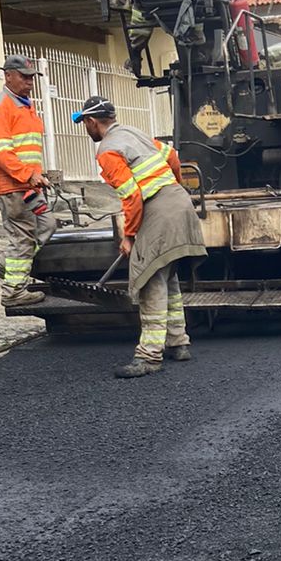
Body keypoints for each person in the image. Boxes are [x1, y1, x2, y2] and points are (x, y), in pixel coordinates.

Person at [71, 96, 206, 379]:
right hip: (179, 203)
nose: (86, 128)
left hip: (159, 208)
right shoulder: (133, 132)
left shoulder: (108, 150)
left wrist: (129, 235)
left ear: (92, 122)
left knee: (148, 279)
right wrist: (176, 188)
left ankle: (149, 356)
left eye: (84, 122)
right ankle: (178, 342)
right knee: (168, 276)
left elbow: (132, 195)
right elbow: (172, 156)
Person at [0, 55, 51, 309]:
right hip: (10, 184)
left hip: (28, 185)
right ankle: (13, 291)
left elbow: (26, 148)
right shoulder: (1, 106)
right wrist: (27, 174)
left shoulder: (25, 105)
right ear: (8, 75)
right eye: (24, 76)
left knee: (47, 224)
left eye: (31, 77)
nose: (29, 81)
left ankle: (6, 265)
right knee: (23, 236)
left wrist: (37, 176)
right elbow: (1, 152)